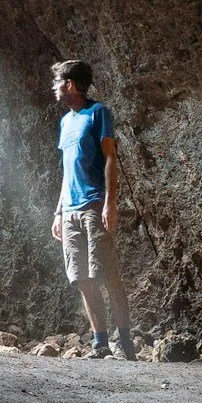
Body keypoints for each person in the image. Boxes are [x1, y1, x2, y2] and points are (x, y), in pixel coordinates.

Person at [50, 58, 135, 357]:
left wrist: (109, 203)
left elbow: (110, 158)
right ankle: (100, 342)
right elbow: (66, 169)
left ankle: (125, 341)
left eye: (57, 82)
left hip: (93, 205)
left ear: (70, 84)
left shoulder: (98, 113)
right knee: (82, 279)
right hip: (70, 210)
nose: (54, 88)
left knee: (107, 274)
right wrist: (59, 212)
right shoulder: (65, 122)